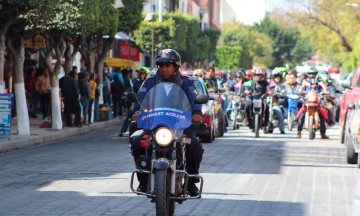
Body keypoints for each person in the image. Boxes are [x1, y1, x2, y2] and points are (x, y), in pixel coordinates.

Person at [131, 49, 203, 197]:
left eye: (168, 66)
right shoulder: (150, 82)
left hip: (180, 125)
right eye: (161, 66)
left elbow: (194, 100)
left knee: (194, 146)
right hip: (154, 125)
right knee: (137, 142)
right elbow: (140, 100)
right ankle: (143, 180)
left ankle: (191, 182)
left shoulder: (186, 82)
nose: (164, 69)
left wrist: (196, 113)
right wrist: (137, 112)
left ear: (175, 67)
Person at [296, 67, 333, 139]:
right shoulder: (305, 82)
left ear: (317, 74)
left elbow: (325, 89)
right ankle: (299, 132)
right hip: (308, 101)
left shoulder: (320, 82)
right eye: (310, 74)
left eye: (313, 74)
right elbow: (300, 90)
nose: (312, 75)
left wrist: (325, 92)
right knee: (302, 114)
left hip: (317, 101)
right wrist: (301, 92)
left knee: (322, 114)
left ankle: (323, 133)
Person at [119, 67, 149, 137]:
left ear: (147, 75)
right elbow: (131, 88)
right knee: (130, 113)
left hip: (148, 103)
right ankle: (123, 131)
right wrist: (127, 91)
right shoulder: (136, 82)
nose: (142, 75)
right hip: (137, 101)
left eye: (143, 74)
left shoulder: (149, 83)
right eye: (141, 74)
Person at [268, 69, 286, 134]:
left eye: (278, 77)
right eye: (275, 77)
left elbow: (283, 92)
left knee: (279, 112)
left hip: (274, 104)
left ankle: (282, 129)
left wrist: (281, 94)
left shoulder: (280, 86)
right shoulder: (268, 85)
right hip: (266, 104)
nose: (277, 78)